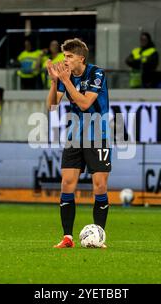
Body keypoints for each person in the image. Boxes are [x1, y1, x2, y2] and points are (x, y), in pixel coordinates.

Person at [46, 38, 110, 249]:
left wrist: (65, 82)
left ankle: (99, 236)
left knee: (99, 186)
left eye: (69, 57)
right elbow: (52, 106)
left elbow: (84, 104)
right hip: (75, 136)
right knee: (66, 184)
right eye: (64, 56)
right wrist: (55, 82)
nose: (65, 60)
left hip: (97, 135)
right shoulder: (68, 77)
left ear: (81, 58)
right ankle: (67, 238)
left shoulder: (96, 73)